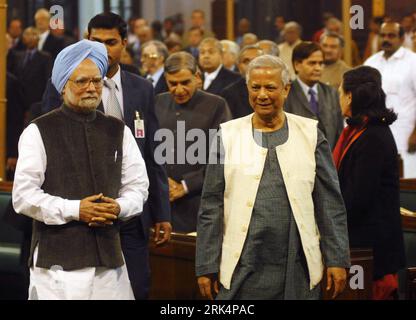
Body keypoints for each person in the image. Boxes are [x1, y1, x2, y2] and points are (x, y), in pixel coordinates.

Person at [40, 12, 171, 300]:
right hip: (80, 215)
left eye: (110, 42)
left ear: (124, 43)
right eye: (95, 41)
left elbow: (152, 153)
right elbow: (49, 141)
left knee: (137, 286)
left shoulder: (142, 88)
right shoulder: (61, 84)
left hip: (129, 211)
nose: (101, 49)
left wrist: (161, 212)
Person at [196, 55, 350, 300]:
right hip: (241, 263)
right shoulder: (227, 135)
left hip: (297, 262)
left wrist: (337, 259)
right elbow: (211, 205)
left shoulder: (310, 133)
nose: (262, 95)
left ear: (286, 89)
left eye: (270, 87)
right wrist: (206, 265)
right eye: (255, 88)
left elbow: (329, 203)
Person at [12, 39, 149, 300]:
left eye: (96, 81)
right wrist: (77, 210)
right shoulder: (38, 131)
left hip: (110, 261)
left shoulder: (119, 130)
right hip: (57, 265)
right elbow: (23, 196)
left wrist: (118, 207)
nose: (91, 88)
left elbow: (138, 187)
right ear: (63, 87)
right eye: (82, 81)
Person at [334, 66, 405, 300]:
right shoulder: (360, 130)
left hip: (372, 249)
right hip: (361, 240)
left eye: (340, 89)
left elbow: (358, 198)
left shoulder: (373, 135)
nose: (338, 93)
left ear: (350, 96)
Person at [155, 52, 232, 232]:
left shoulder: (217, 105)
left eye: (185, 83)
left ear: (197, 77)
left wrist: (185, 186)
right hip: (161, 205)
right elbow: (149, 150)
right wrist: (161, 181)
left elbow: (222, 156)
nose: (179, 90)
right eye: (173, 84)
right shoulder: (158, 101)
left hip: (200, 204)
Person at [365, 22, 416, 178]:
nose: (386, 39)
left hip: (405, 133)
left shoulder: (412, 61)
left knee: (407, 181)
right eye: (383, 35)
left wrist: (415, 133)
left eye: (391, 35)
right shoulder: (371, 62)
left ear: (401, 38)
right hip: (376, 132)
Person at [285, 41, 344, 149]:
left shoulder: (332, 93)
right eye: (312, 63)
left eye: (320, 63)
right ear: (297, 65)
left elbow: (339, 131)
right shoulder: (285, 93)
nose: (318, 68)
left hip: (329, 161)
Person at [14, 27, 52, 113]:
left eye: (33, 35)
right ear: (23, 39)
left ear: (38, 39)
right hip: (19, 102)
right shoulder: (18, 57)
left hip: (37, 102)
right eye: (27, 35)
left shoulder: (45, 57)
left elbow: (48, 79)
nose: (30, 38)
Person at [221, 44, 264, 118]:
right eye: (246, 61)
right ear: (238, 66)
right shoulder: (229, 93)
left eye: (257, 61)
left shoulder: (278, 88)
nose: (251, 65)